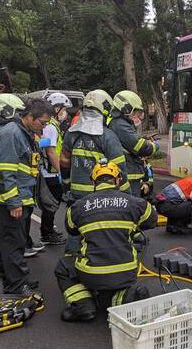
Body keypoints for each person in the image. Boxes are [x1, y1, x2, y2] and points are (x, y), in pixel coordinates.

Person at [54, 159, 156, 322]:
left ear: (94, 182)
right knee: (112, 286)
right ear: (117, 180)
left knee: (64, 266)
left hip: (91, 274)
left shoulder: (78, 207)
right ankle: (125, 298)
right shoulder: (135, 203)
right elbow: (151, 220)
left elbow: (71, 229)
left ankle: (83, 304)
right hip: (126, 272)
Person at [0, 97, 53, 295]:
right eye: (42, 122)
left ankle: (14, 275)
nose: (44, 127)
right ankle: (15, 286)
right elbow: (5, 171)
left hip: (20, 196)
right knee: (13, 243)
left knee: (15, 241)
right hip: (11, 200)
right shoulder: (12, 134)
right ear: (30, 117)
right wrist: (13, 202)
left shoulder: (23, 133)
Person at [60, 89, 127, 253]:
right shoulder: (108, 137)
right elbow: (120, 171)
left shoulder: (71, 133)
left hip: (76, 194)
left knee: (76, 230)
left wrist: (67, 186)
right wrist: (127, 198)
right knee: (99, 231)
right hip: (99, 195)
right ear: (105, 111)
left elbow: (64, 162)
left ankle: (70, 266)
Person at [37, 92, 72, 246]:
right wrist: (60, 170)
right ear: (56, 108)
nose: (65, 113)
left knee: (51, 204)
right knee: (51, 204)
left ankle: (48, 231)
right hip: (51, 172)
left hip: (48, 170)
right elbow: (51, 151)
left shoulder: (50, 125)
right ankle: (47, 233)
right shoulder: (51, 127)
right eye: (63, 109)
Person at [108, 90, 158, 197]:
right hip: (128, 175)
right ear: (127, 108)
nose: (138, 116)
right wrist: (155, 146)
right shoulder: (120, 125)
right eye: (136, 112)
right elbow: (140, 148)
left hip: (130, 174)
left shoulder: (120, 123)